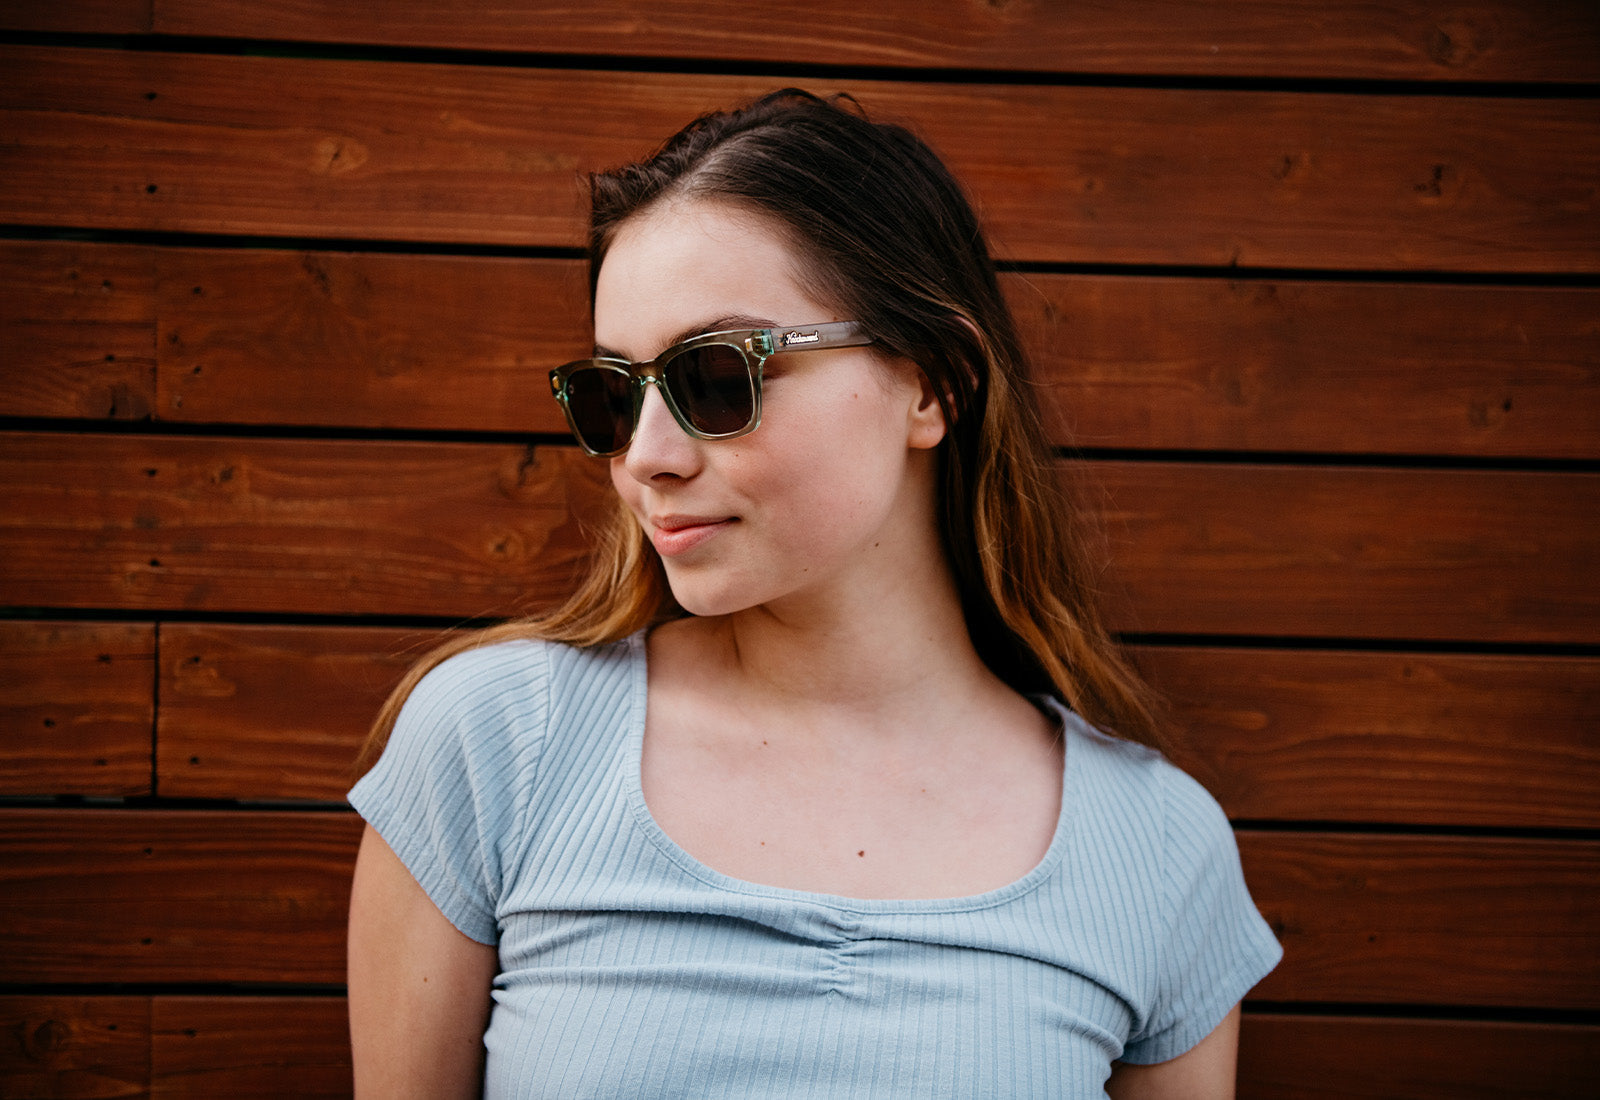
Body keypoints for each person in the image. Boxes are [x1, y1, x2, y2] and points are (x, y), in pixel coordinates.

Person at [346, 89, 1281, 1098]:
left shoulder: (1155, 845)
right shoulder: (498, 745)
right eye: (614, 394)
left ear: (932, 385)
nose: (645, 458)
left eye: (715, 375)